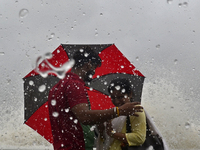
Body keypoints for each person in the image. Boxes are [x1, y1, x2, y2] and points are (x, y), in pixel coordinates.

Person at [47, 46, 143, 150]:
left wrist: (99, 122)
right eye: (94, 68)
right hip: (76, 146)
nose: (93, 73)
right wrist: (119, 111)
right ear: (88, 64)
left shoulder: (56, 87)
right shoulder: (74, 85)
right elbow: (84, 117)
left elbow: (74, 117)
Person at [96, 78, 146, 150]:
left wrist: (112, 133)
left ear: (130, 94)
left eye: (120, 97)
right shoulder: (114, 112)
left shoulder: (135, 110)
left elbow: (139, 138)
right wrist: (101, 129)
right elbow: (106, 140)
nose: (116, 102)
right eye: (113, 97)